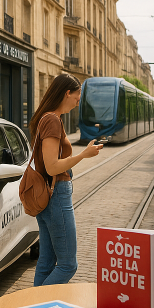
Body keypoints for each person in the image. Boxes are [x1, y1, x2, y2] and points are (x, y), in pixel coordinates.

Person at [29, 73, 102, 286]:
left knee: (47, 260)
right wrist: (82, 155)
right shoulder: (52, 120)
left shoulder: (47, 117)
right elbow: (52, 167)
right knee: (68, 265)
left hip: (48, 196)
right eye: (77, 98)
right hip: (56, 196)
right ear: (67, 93)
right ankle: (36, 306)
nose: (78, 103)